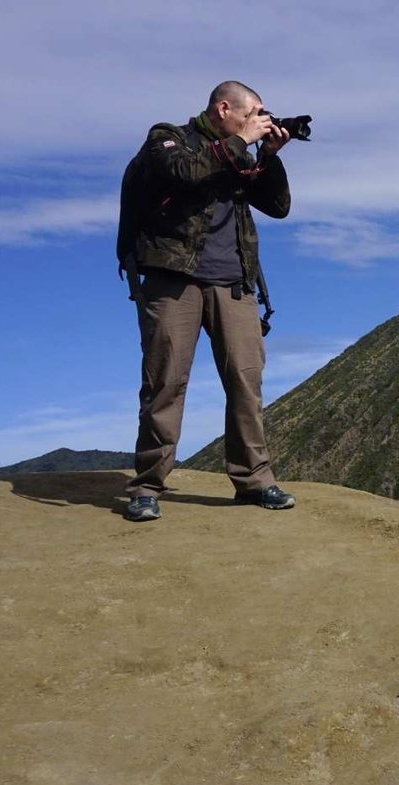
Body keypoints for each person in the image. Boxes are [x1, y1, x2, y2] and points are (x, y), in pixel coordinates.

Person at [116, 80, 296, 522]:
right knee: (166, 381)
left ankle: (254, 481)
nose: (259, 120)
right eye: (252, 112)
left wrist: (268, 157)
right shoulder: (168, 137)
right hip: (173, 278)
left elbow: (277, 206)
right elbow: (184, 173)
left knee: (245, 381)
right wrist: (241, 143)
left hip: (233, 281)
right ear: (223, 109)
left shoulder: (237, 154)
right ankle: (148, 486)